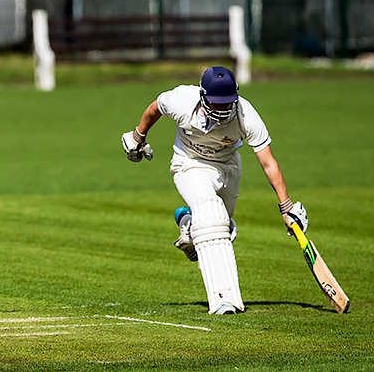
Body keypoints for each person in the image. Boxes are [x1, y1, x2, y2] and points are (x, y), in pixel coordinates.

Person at [121, 66, 308, 315]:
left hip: (227, 167)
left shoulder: (246, 114)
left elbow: (268, 162)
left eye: (226, 103)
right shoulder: (181, 100)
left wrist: (287, 207)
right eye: (216, 103)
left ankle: (188, 224)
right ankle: (224, 300)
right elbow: (155, 108)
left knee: (225, 228)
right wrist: (138, 136)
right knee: (212, 216)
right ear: (203, 96)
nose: (221, 109)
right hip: (189, 164)